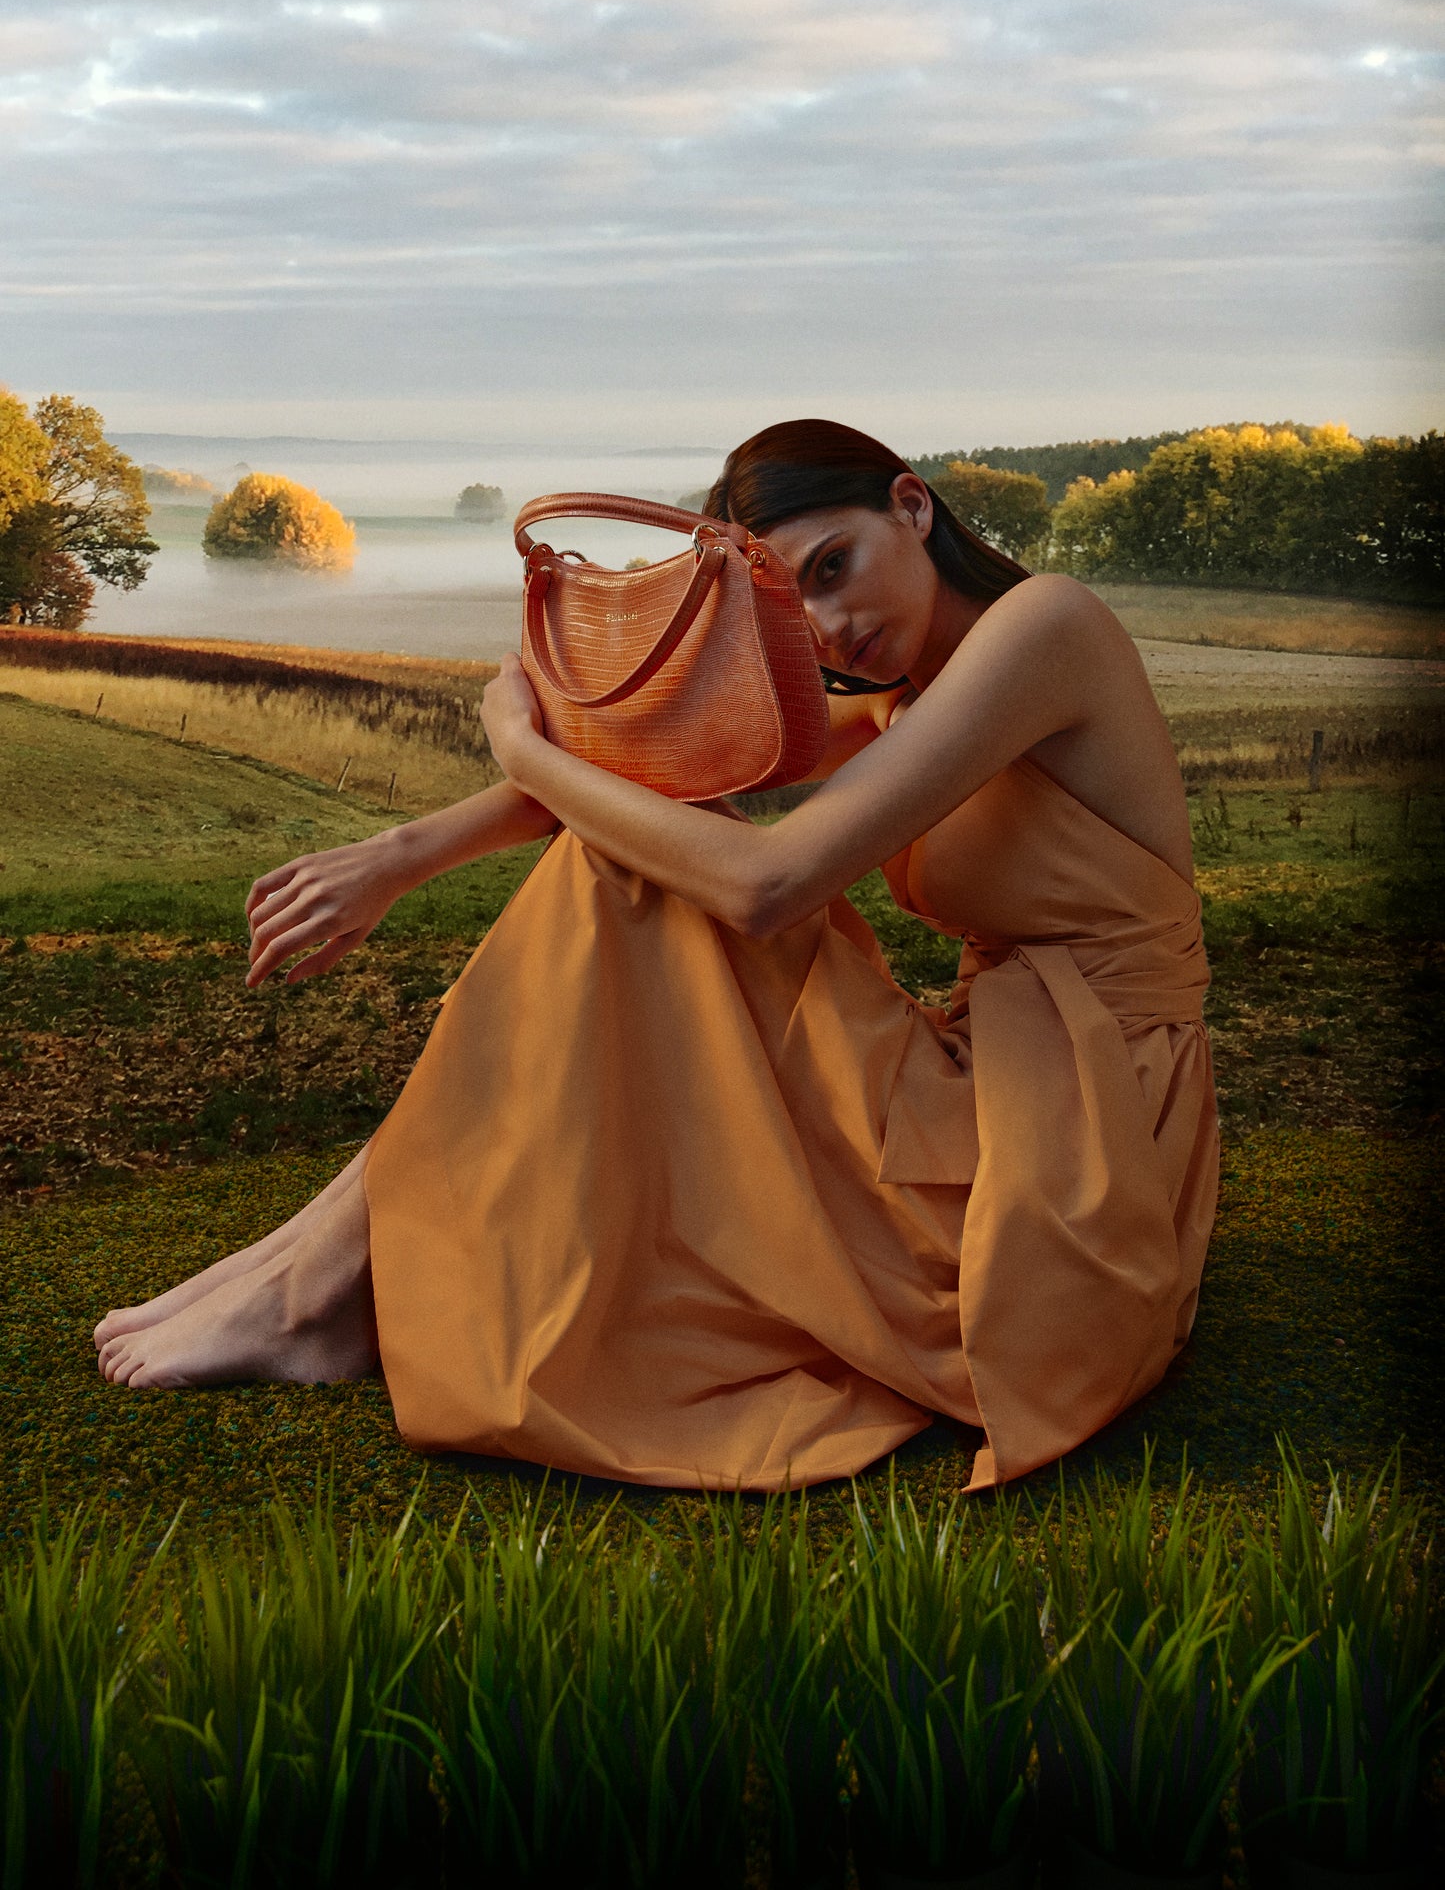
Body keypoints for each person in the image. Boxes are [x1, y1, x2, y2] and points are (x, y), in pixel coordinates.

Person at [94, 420, 1218, 1493]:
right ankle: (317, 1262)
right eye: (792, 605)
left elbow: (767, 886)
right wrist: (399, 856)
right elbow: (659, 769)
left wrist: (518, 745)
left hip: (1083, 1150)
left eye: (833, 565)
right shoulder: (900, 696)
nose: (827, 628)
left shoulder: (1045, 627)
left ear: (910, 507)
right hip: (997, 1085)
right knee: (624, 856)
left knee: (653, 870)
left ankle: (318, 1282)